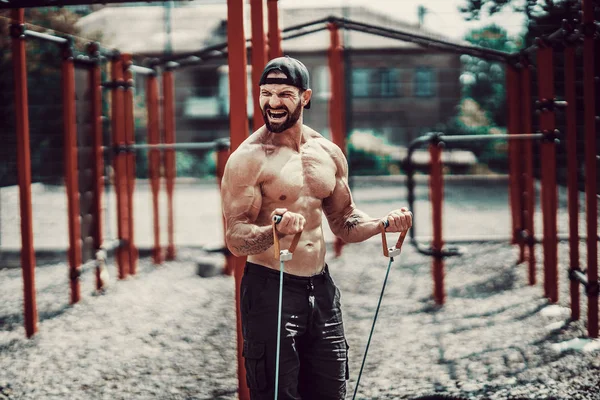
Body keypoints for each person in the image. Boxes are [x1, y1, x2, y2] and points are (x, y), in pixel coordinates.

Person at [221, 56, 412, 400]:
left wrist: (383, 224)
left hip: (321, 289)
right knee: (278, 394)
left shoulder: (327, 153)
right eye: (266, 93)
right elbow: (235, 238)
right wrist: (272, 233)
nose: (273, 102)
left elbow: (345, 222)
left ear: (305, 97)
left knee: (331, 390)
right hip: (270, 289)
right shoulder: (248, 158)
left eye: (284, 94)